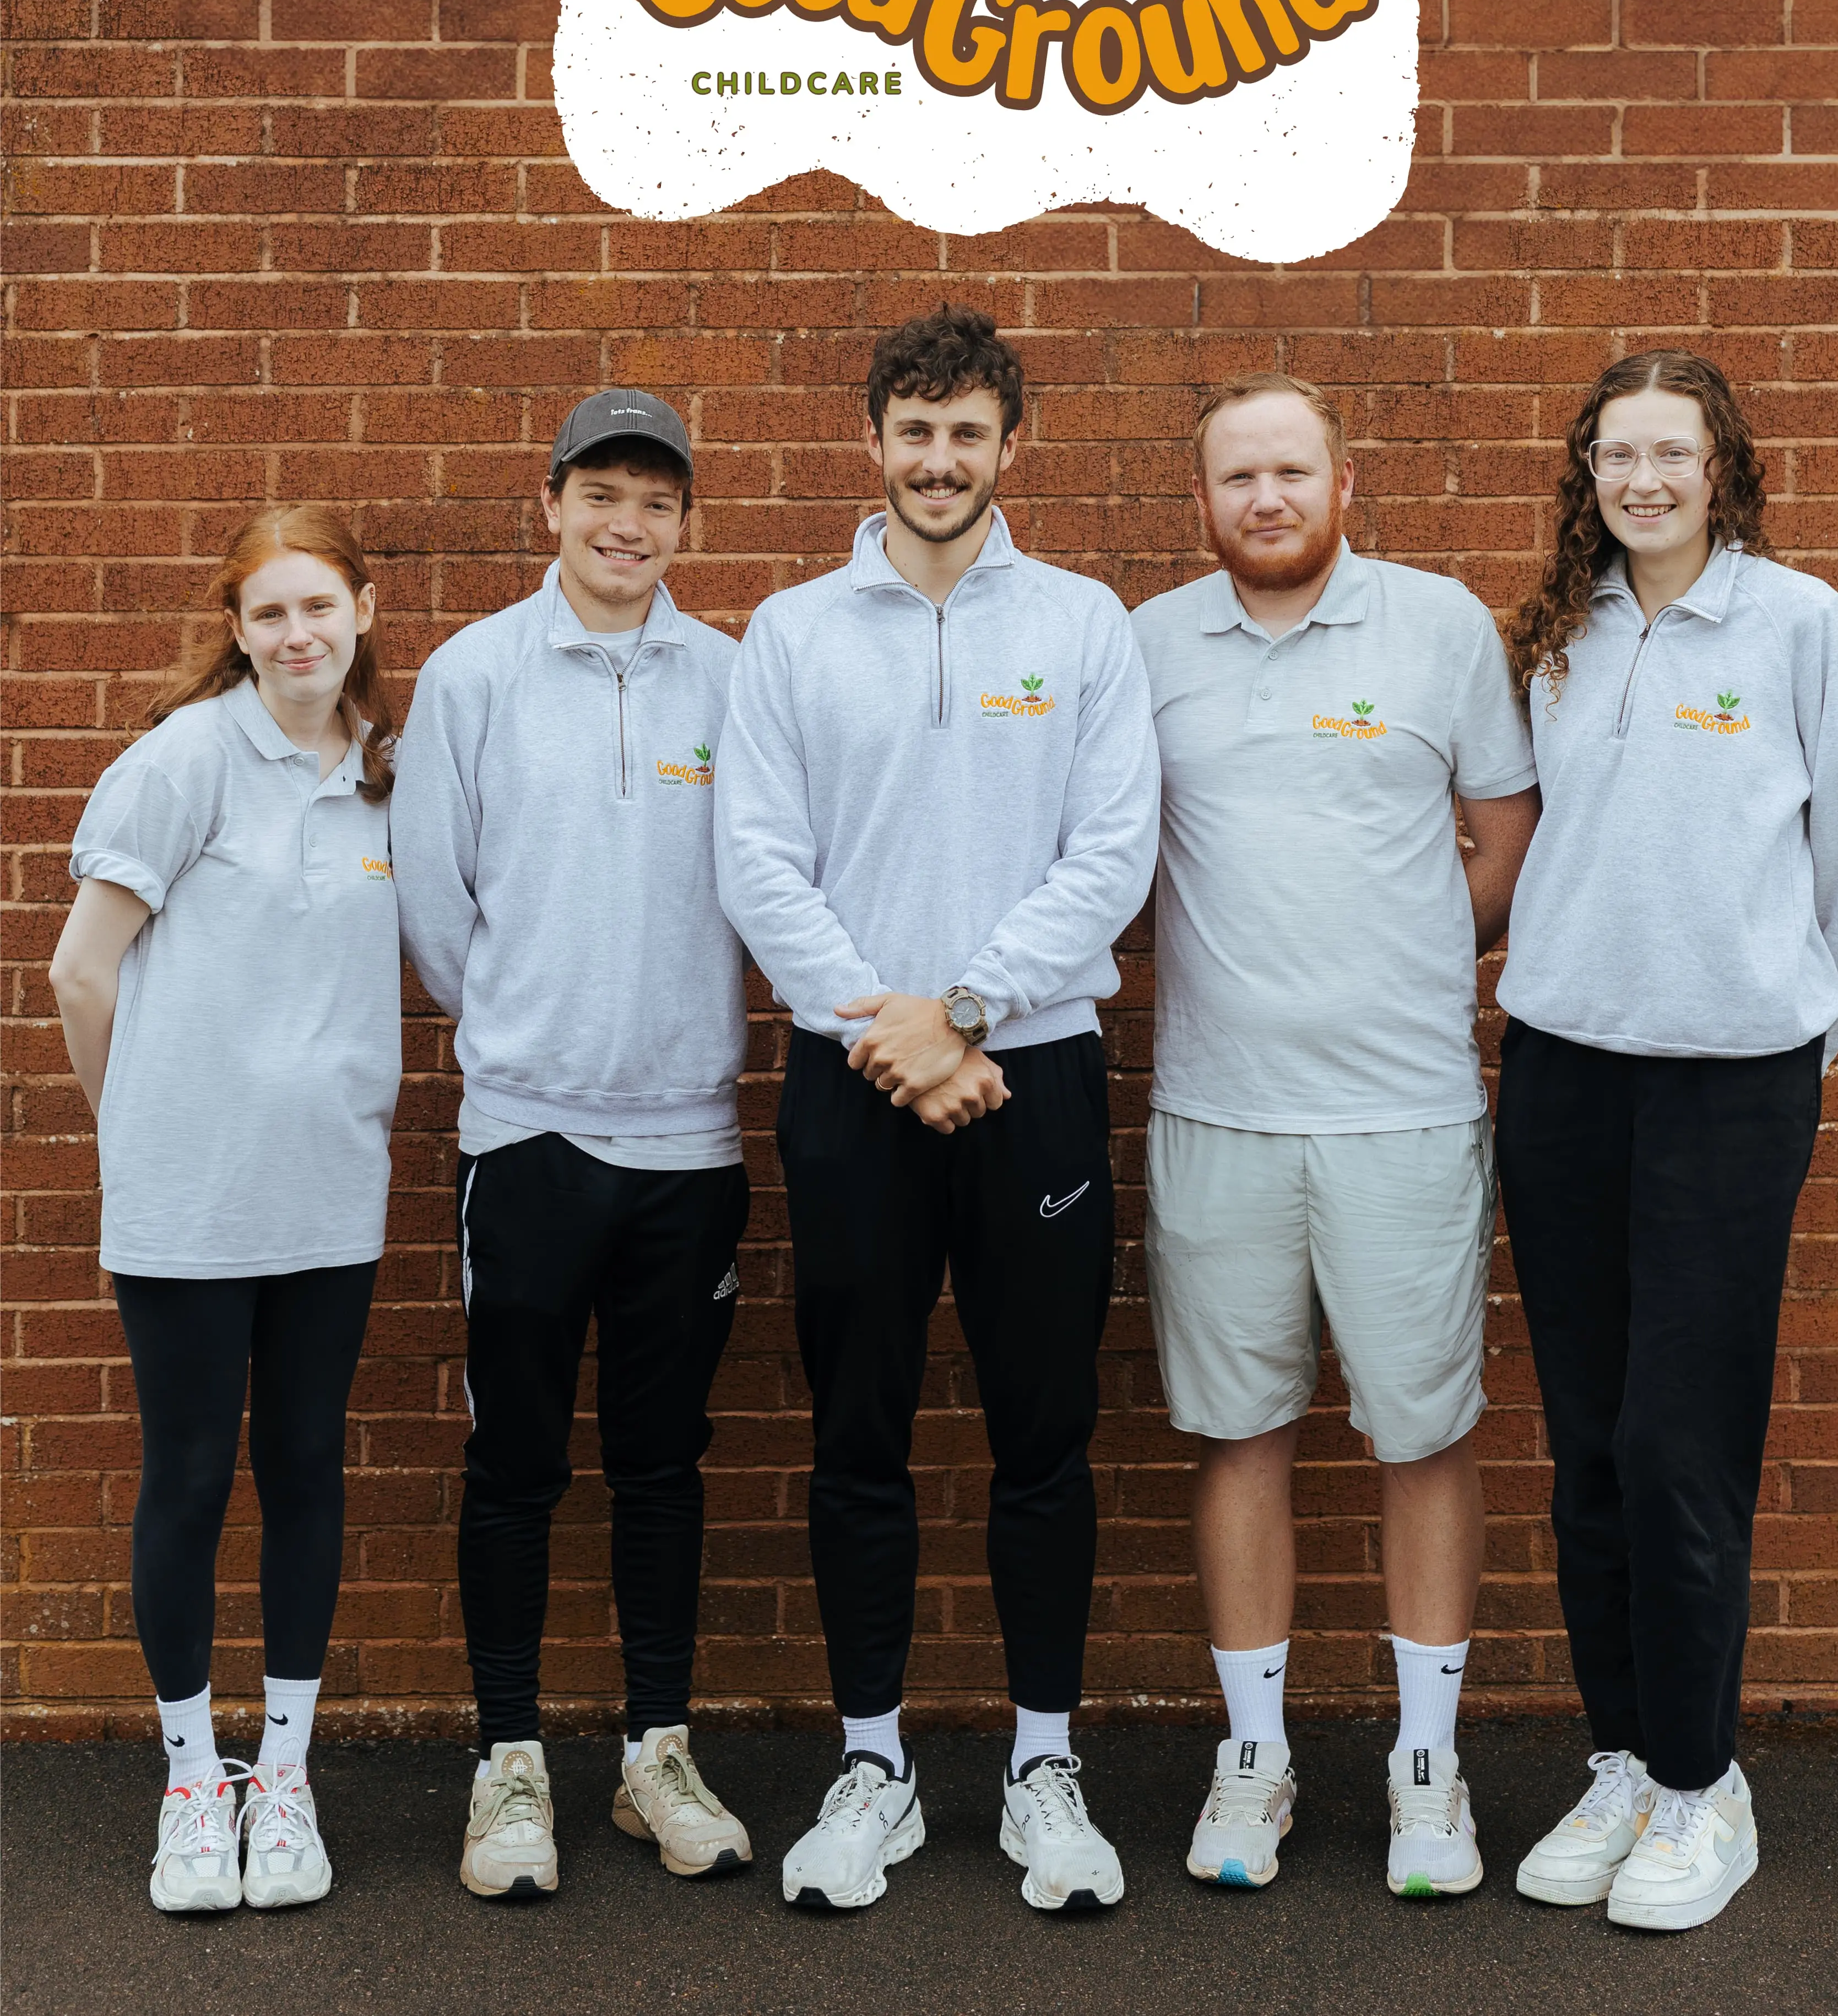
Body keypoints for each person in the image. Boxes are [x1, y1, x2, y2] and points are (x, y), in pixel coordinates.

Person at [713, 305, 1160, 1915]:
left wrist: (963, 1009)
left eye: (968, 431)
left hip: (1027, 1073)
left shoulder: (1086, 624)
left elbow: (1113, 853)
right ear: (872, 441)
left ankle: (1046, 1762)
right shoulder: (791, 632)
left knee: (1046, 1430)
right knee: (858, 1432)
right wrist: (889, 1030)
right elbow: (757, 860)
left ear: (1009, 446)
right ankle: (875, 1764)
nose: (939, 459)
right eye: (915, 430)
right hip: (853, 1081)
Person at [1495, 350, 1838, 1933]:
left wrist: (1788, 1040)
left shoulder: (1795, 622)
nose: (1646, 480)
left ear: (1722, 469)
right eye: (1619, 453)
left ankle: (1700, 1784)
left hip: (1726, 1094)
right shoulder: (1554, 633)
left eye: (1674, 452)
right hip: (1559, 1081)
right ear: (1588, 473)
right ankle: (1621, 1760)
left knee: (1682, 1449)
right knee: (1591, 1447)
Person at [1131, 373, 1541, 1898]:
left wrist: (1415, 951)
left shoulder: (1437, 629)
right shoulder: (1146, 644)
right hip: (1218, 1110)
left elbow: (1504, 835)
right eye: (1237, 476)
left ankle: (1425, 1767)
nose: (1266, 498)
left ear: (1342, 479)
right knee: (1238, 1432)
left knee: (1421, 1431)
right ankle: (1256, 1755)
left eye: (1291, 470)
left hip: (1404, 1109)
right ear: (1203, 499)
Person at [392, 389, 752, 1901]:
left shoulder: (736, 680)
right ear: (549, 505)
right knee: (517, 1460)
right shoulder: (473, 677)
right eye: (600, 492)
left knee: (663, 1463)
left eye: (656, 502)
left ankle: (652, 1754)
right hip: (529, 1136)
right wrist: (537, 1037)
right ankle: (511, 1764)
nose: (627, 524)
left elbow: (770, 877)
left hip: (688, 1142)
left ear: (683, 524)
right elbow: (434, 906)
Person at [50, 507, 403, 1916]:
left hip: (329, 1194)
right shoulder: (186, 760)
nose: (297, 635)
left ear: (362, 611)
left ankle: (289, 1774)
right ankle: (196, 1780)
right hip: (188, 1199)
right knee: (192, 1477)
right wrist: (130, 1126)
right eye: (268, 614)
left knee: (307, 1467)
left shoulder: (384, 774)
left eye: (318, 606)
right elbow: (84, 974)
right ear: (238, 629)